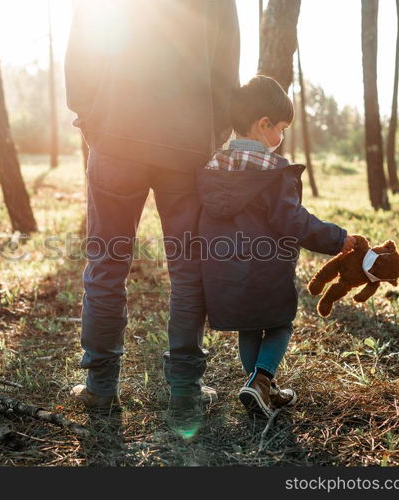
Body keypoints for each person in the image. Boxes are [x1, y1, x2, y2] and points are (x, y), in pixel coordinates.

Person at [64, 0, 240, 415]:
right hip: (185, 147)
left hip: (116, 139)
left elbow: (80, 52)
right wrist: (209, 137)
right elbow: (226, 69)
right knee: (187, 267)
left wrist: (93, 121)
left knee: (107, 262)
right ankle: (185, 388)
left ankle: (100, 386)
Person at [197, 75, 357, 416]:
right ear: (263, 124)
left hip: (224, 272)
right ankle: (261, 379)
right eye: (281, 128)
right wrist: (338, 239)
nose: (281, 136)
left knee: (250, 326)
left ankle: (260, 387)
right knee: (280, 323)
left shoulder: (212, 168)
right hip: (265, 270)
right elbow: (294, 222)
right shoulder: (274, 172)